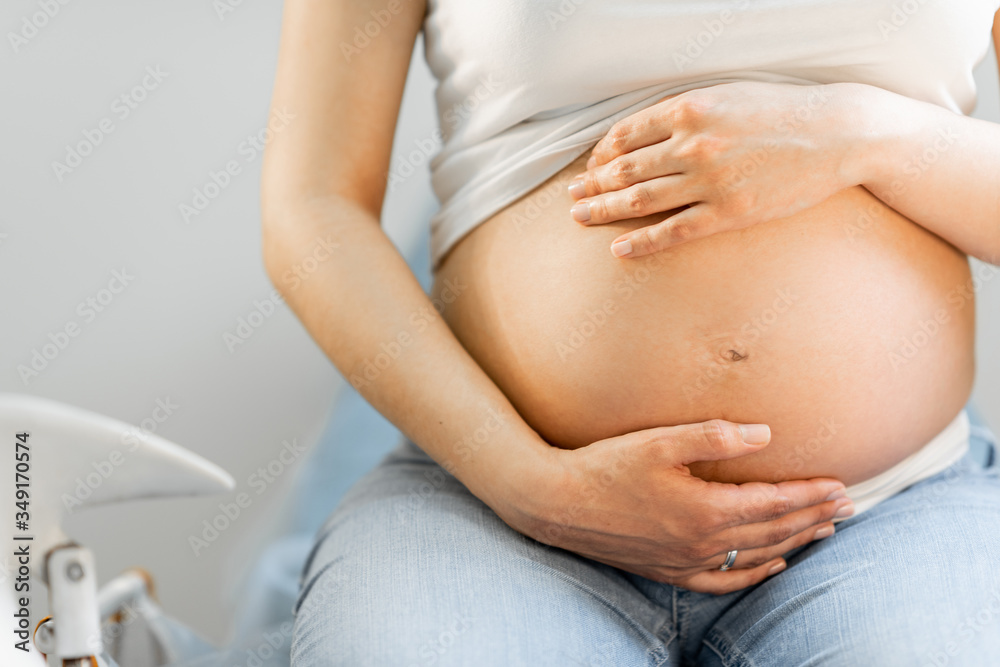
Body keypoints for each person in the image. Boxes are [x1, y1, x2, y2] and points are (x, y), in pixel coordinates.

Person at [261, 1, 1000, 663]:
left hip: (890, 507)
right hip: (493, 508)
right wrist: (531, 488)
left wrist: (869, 133)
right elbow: (312, 208)